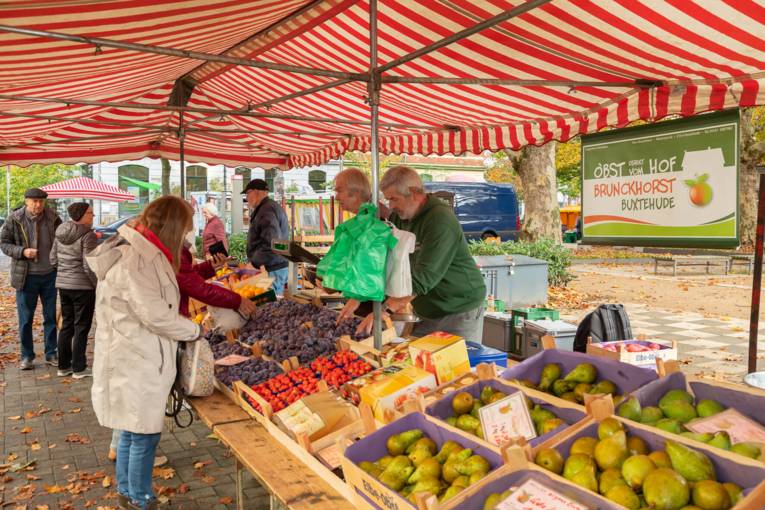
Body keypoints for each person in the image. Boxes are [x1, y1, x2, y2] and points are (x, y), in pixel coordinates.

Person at [87, 196, 201, 510]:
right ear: (174, 228)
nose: (187, 238)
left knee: (130, 429)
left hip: (135, 355)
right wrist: (196, 332)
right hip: (136, 359)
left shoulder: (143, 253)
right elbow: (155, 314)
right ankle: (139, 497)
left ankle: (128, 492)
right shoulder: (135, 260)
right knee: (143, 435)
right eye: (186, 231)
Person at [356, 166, 486, 341]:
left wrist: (384, 310)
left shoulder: (440, 221)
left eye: (394, 199)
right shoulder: (399, 219)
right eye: (388, 200)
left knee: (455, 365)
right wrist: (358, 297)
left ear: (414, 193)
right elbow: (388, 262)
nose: (391, 206)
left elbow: (424, 276)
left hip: (459, 308)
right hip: (427, 309)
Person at [0, 188, 61, 370]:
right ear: (26, 201)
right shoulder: (15, 219)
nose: (38, 204)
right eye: (34, 201)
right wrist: (22, 251)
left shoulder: (53, 218)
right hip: (26, 276)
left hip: (50, 274)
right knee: (26, 319)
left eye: (41, 201)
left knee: (50, 316)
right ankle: (27, 356)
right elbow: (3, 243)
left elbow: (63, 240)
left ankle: (51, 353)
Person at [50, 202, 98, 379]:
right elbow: (89, 265)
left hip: (63, 285)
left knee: (66, 325)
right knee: (82, 327)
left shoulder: (60, 232)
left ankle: (63, 366)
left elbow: (53, 259)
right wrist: (97, 285)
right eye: (90, 213)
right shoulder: (87, 234)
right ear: (80, 215)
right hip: (83, 287)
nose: (92, 216)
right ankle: (78, 367)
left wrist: (64, 273)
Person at [243, 178, 290, 296]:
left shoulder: (266, 210)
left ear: (257, 192)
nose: (246, 198)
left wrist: (253, 263)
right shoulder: (269, 207)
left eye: (247, 193)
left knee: (270, 307)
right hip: (274, 265)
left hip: (272, 268)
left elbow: (271, 244)